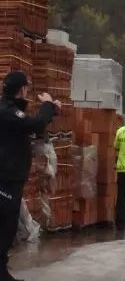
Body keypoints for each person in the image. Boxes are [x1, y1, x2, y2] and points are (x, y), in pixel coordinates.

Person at [0, 71, 59, 281]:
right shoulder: (7, 111)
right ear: (21, 89)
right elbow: (32, 124)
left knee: (8, 223)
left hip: (11, 177)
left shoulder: (10, 110)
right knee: (6, 224)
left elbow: (32, 125)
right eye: (26, 88)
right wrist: (47, 104)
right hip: (6, 178)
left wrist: (51, 111)